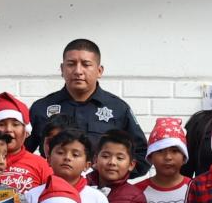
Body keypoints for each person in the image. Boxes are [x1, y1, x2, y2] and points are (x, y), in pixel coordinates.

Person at [27, 38, 146, 170]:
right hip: (52, 187)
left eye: (86, 64)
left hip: (102, 189)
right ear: (62, 69)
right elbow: (21, 154)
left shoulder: (118, 109)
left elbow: (142, 154)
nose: (78, 71)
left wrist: (112, 178)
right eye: (71, 64)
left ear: (99, 71)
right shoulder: (41, 108)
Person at [0, 91, 55, 200]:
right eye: (1, 124)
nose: (8, 130)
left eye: (15, 124)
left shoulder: (41, 165)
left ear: (26, 131)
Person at [141, 117, 193, 203]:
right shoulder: (137, 191)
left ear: (184, 156)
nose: (168, 157)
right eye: (160, 151)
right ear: (150, 156)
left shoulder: (194, 188)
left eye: (174, 151)